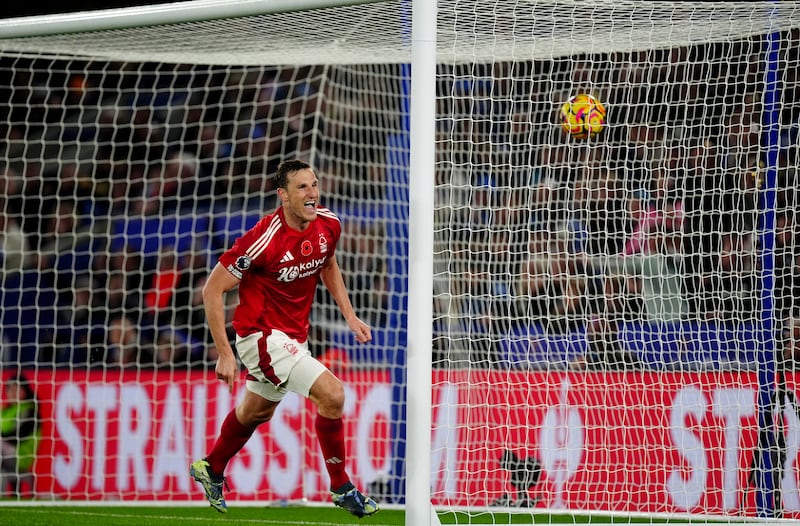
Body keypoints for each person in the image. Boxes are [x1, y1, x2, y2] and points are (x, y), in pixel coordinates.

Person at [189, 159, 379, 518]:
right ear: (283, 195)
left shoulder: (328, 224)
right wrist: (225, 354)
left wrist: (350, 315)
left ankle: (211, 468)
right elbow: (213, 290)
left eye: (314, 184)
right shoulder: (263, 239)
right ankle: (341, 486)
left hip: (292, 337)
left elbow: (327, 263)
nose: (312, 194)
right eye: (302, 188)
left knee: (255, 412)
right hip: (259, 336)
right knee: (333, 394)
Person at [0, 372, 40, 496]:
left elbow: (19, 436)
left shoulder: (29, 411)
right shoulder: (6, 411)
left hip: (20, 454)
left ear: (24, 390)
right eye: (9, 389)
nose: (12, 392)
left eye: (16, 388)